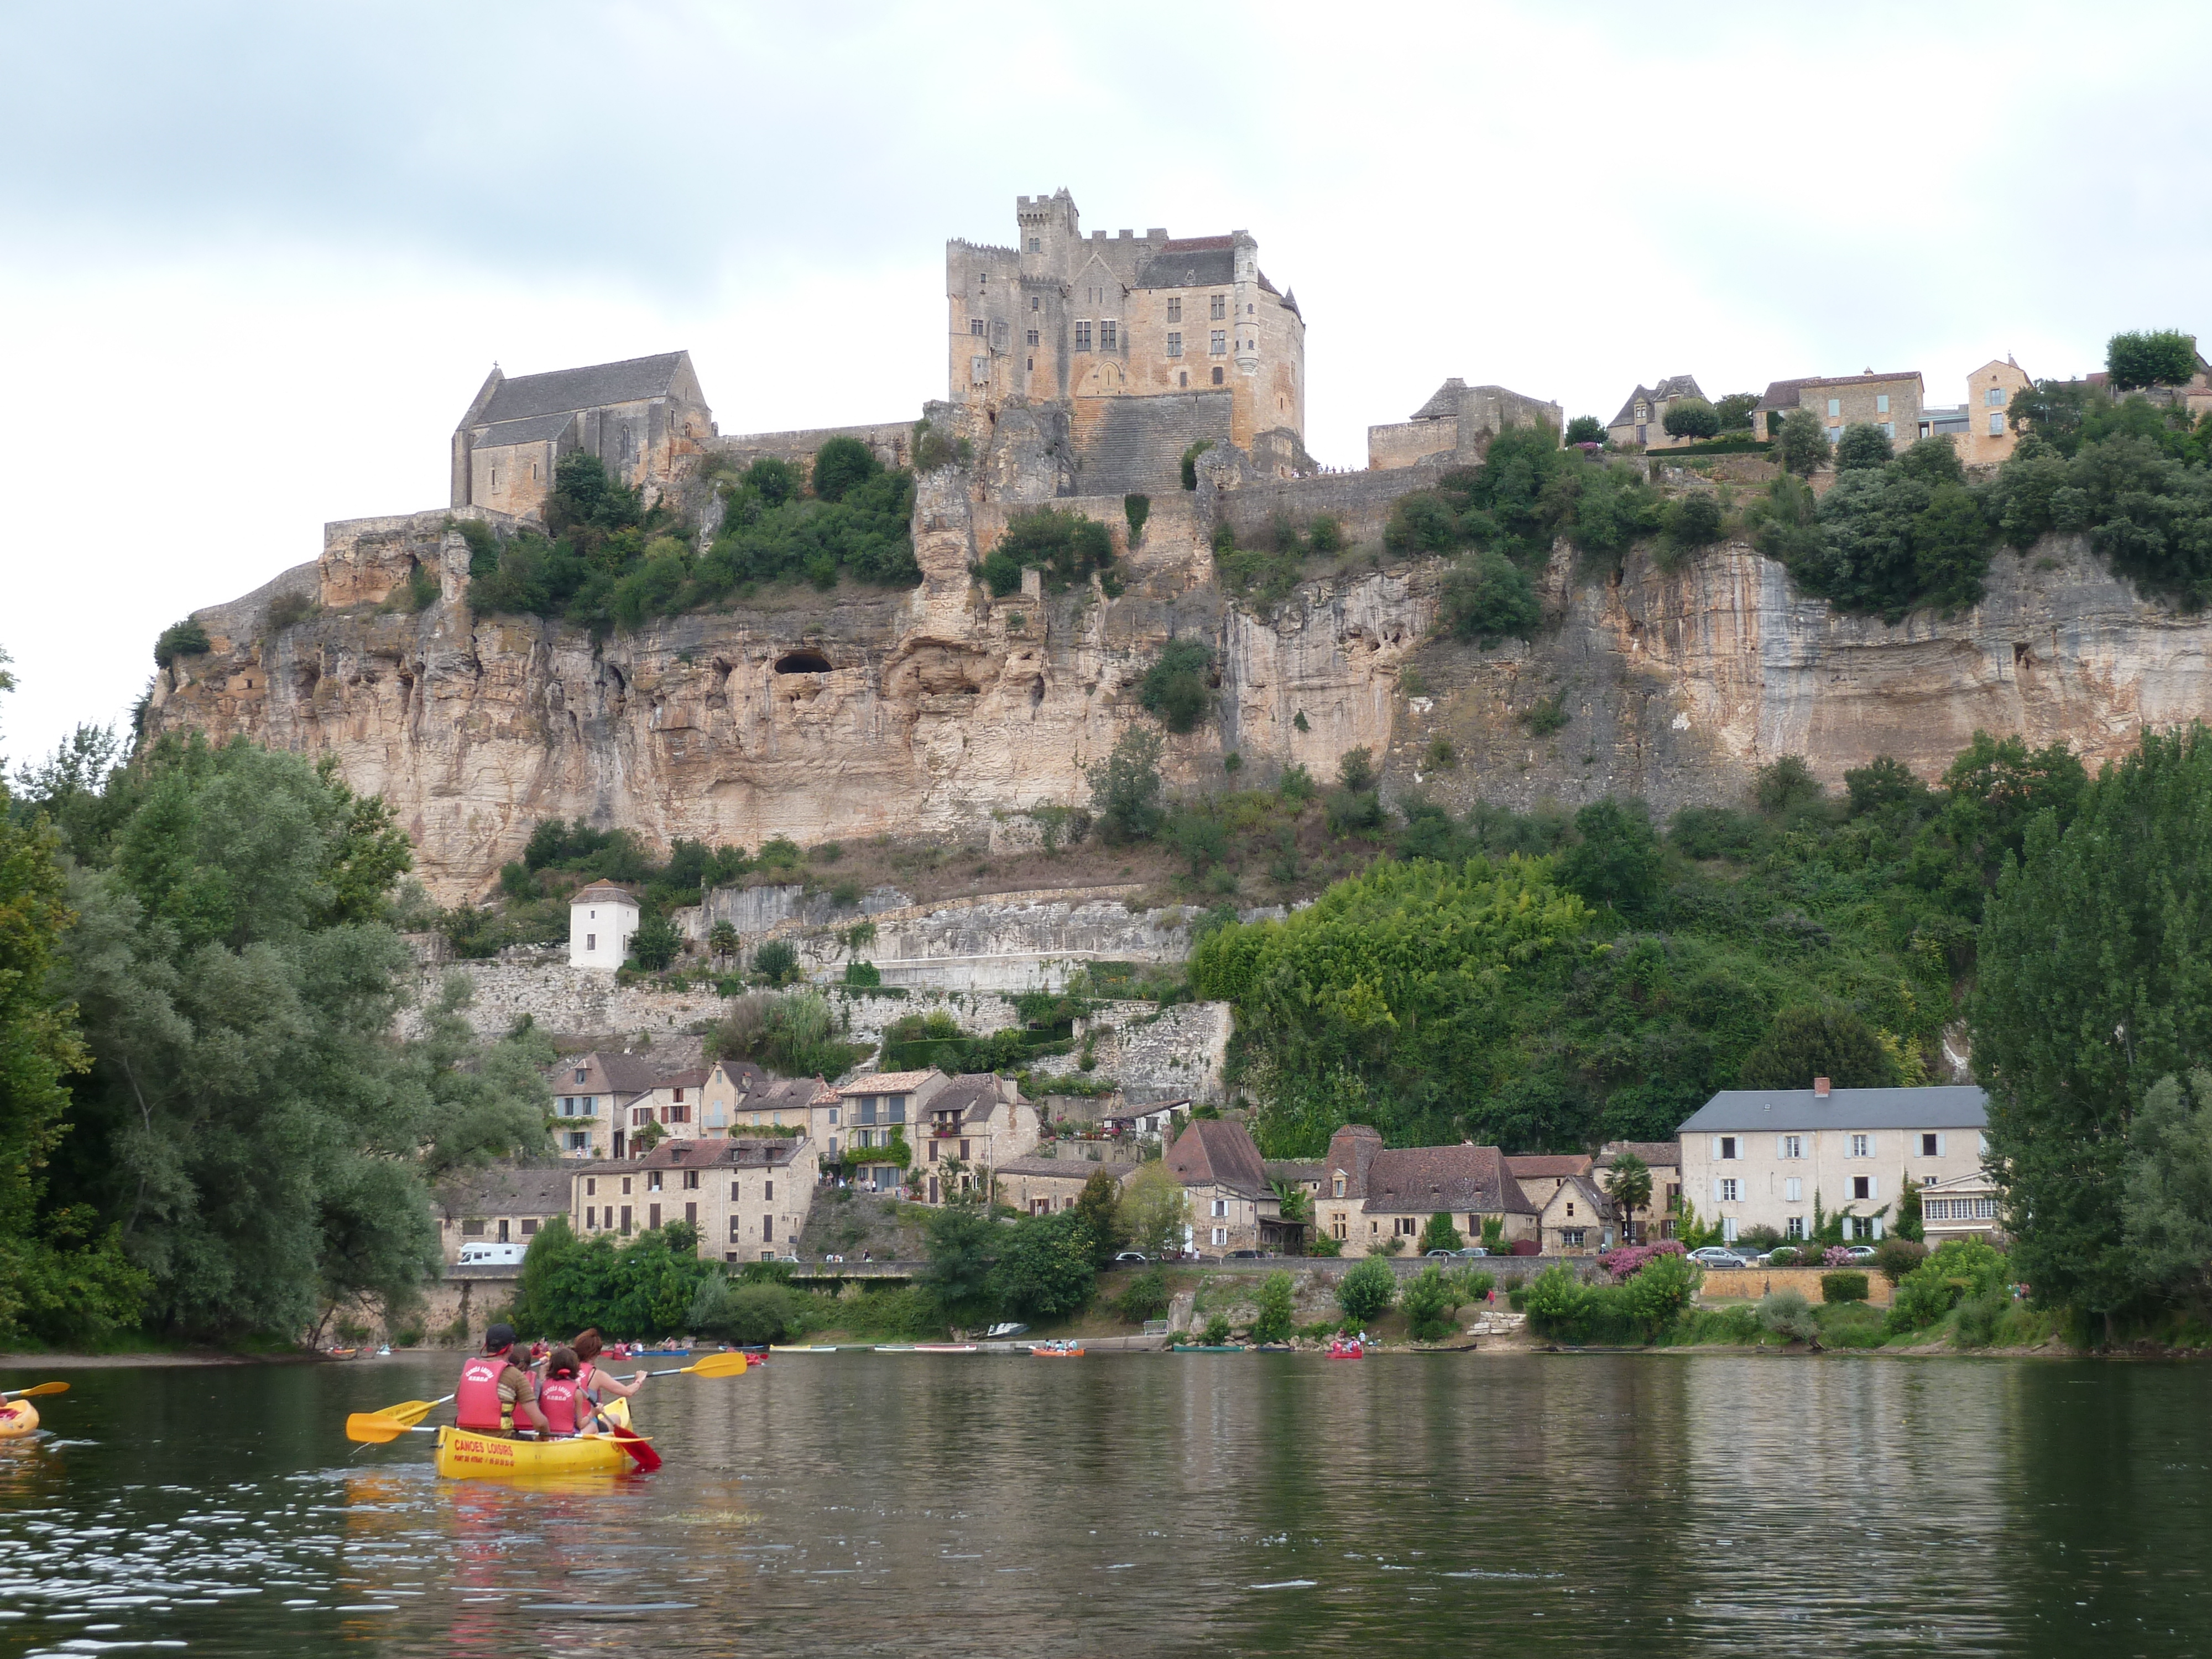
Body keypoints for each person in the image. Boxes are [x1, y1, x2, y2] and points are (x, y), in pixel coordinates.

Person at [455, 1323, 546, 1438]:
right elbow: (540, 1423)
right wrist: (545, 1438)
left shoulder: (467, 1372)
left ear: (486, 1345)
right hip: (500, 1442)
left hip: (467, 1441)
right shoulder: (515, 1375)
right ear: (511, 1348)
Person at [571, 1328, 646, 1405]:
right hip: (588, 1416)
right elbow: (628, 1392)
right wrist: (640, 1379)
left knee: (615, 1417)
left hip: (572, 1416)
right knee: (616, 1417)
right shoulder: (597, 1375)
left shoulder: (567, 1370)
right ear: (595, 1354)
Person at [536, 1347, 588, 1438]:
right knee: (593, 1426)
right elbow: (580, 1424)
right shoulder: (577, 1392)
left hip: (546, 1436)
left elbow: (543, 1376)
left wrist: (545, 1367)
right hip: (567, 1437)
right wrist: (594, 1413)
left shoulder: (542, 1385)